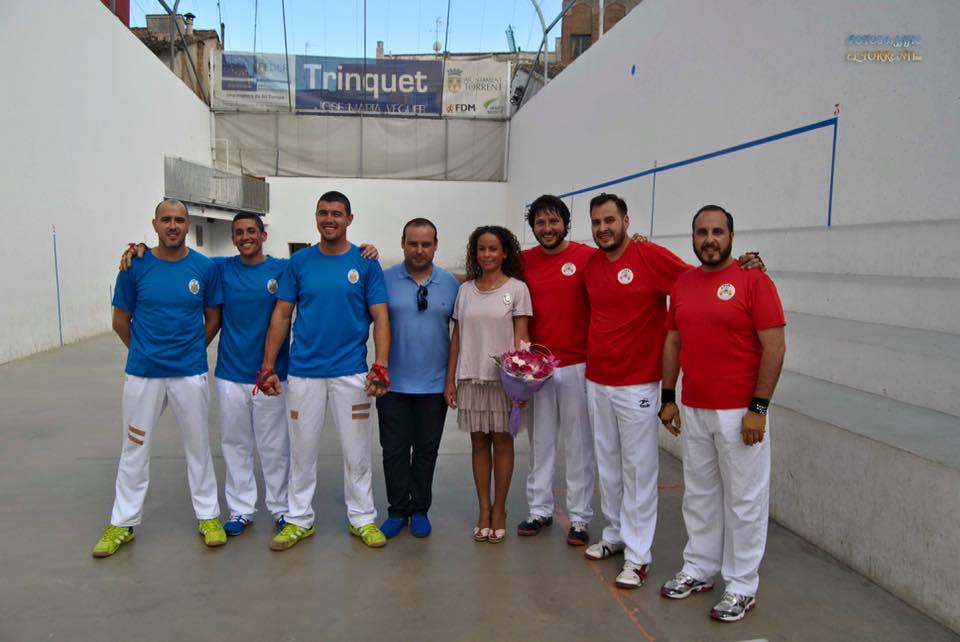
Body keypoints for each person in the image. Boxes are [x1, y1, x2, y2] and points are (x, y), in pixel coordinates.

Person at [118, 224, 380, 538]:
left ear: (263, 235)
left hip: (272, 376)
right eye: (239, 232)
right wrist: (139, 250)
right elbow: (178, 259)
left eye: (252, 232)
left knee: (275, 447)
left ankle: (283, 508)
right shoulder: (217, 267)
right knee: (234, 444)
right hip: (231, 374)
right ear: (233, 239)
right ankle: (241, 509)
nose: (246, 237)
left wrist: (368, 250)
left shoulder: (285, 268)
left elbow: (317, 268)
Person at [581, 193, 764, 590]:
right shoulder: (591, 263)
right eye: (596, 222)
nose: (603, 228)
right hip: (598, 380)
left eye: (610, 220)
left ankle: (637, 555)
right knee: (608, 465)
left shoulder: (651, 257)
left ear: (626, 221)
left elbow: (702, 278)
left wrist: (745, 267)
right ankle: (614, 533)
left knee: (638, 470)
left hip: (638, 384)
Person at [658, 205, 785, 623]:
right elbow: (673, 341)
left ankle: (742, 584)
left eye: (717, 231)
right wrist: (669, 396)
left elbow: (775, 348)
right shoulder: (684, 282)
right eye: (701, 232)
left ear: (731, 235)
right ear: (692, 237)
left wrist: (758, 409)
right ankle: (699, 568)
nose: (709, 239)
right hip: (695, 409)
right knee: (700, 495)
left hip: (740, 414)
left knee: (745, 501)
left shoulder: (754, 281)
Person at [258, 191, 391, 551]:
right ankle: (298, 519)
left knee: (357, 451)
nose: (329, 219)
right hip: (304, 373)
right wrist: (268, 366)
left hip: (351, 374)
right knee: (302, 450)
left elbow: (380, 316)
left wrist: (380, 364)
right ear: (316, 218)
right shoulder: (298, 262)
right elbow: (282, 314)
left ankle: (362, 517)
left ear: (350, 219)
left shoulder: (366, 263)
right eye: (323, 213)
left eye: (336, 213)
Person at [92, 199, 226, 557]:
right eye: (166, 219)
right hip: (143, 376)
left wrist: (194, 350)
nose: (172, 226)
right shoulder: (135, 266)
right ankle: (123, 522)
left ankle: (209, 516)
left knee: (198, 448)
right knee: (134, 449)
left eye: (179, 220)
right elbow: (121, 321)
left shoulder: (204, 267)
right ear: (154, 225)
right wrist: (143, 353)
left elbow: (213, 318)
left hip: (189, 375)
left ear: (187, 225)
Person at [517, 195, 597, 545]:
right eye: (540, 223)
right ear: (532, 226)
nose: (547, 229)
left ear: (565, 222)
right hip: (539, 368)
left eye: (553, 222)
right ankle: (539, 510)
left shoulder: (587, 257)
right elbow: (483, 275)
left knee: (579, 445)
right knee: (541, 442)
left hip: (579, 365)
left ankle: (579, 518)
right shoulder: (522, 261)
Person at [445, 226, 532, 544]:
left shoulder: (518, 289)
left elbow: (522, 338)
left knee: (503, 442)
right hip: (470, 378)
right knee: (479, 443)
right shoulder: (465, 291)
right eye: (481, 249)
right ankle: (483, 509)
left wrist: (521, 383)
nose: (487, 254)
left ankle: (500, 510)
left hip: (504, 381)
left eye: (493, 249)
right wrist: (450, 380)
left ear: (505, 252)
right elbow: (457, 337)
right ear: (475, 253)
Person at [376, 218, 460, 539]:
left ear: (436, 245)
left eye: (426, 244)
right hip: (392, 385)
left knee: (426, 451)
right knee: (394, 451)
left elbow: (462, 332)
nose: (420, 250)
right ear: (402, 243)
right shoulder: (383, 280)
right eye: (413, 243)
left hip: (433, 387)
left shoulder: (450, 284)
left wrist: (451, 380)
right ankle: (397, 510)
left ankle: (420, 508)